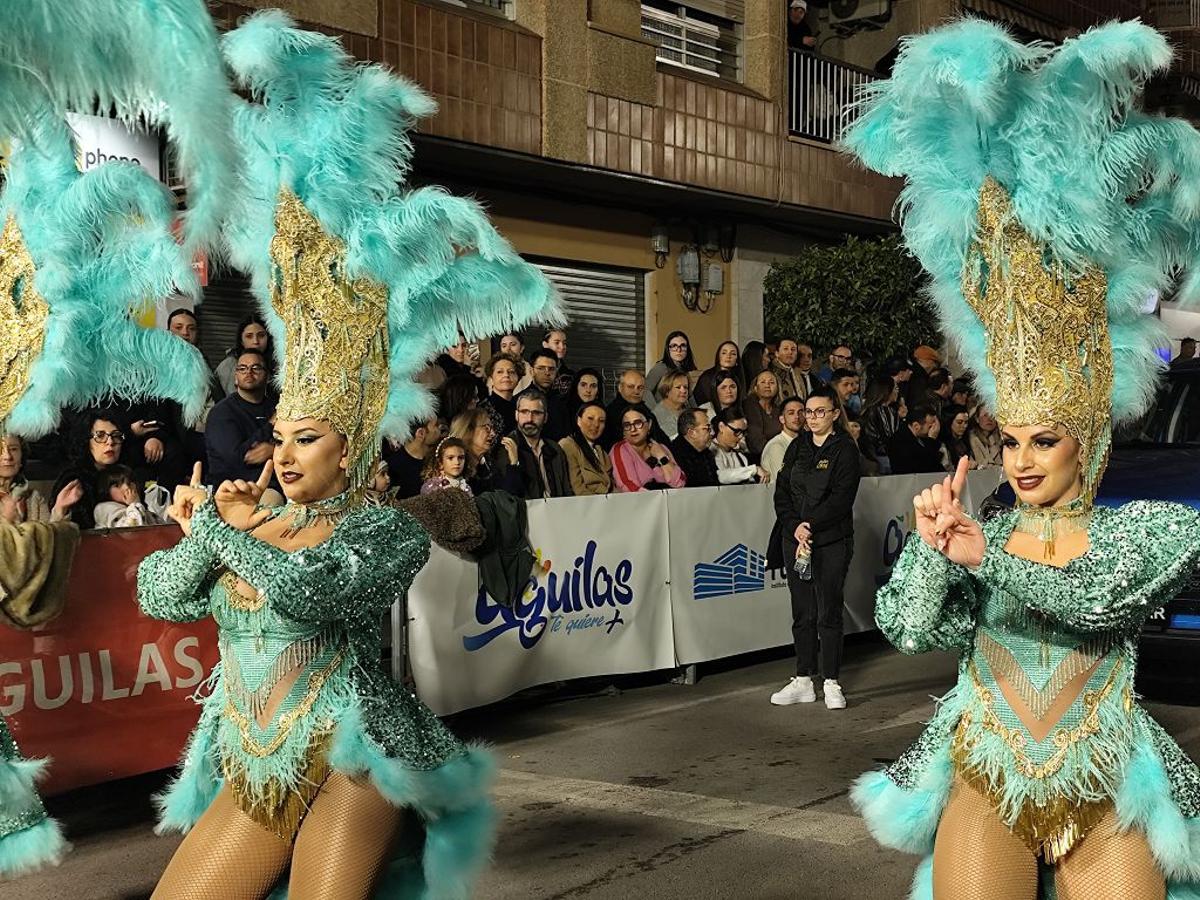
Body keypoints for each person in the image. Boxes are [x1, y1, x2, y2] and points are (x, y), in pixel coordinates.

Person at [141, 15, 557, 896]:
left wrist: (223, 533)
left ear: (352, 449)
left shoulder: (386, 535)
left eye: (307, 440)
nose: (283, 453)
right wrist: (201, 531)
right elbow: (161, 598)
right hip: (255, 754)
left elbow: (307, 590)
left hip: (352, 753)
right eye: (281, 436)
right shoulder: (255, 516)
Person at [844, 19, 1200, 897]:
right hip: (986, 768)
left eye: (1046, 440)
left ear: (1092, 440)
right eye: (1011, 438)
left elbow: (1090, 595)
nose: (1024, 458)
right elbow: (909, 630)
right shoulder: (983, 527)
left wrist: (982, 550)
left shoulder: (1150, 533)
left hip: (1105, 773)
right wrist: (933, 551)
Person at [771, 386, 861, 710]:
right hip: (795, 542)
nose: (812, 418)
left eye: (820, 411)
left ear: (835, 413)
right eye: (808, 412)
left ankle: (832, 681)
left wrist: (810, 525)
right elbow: (782, 493)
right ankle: (803, 679)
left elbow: (841, 499)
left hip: (830, 541)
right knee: (803, 611)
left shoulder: (846, 451)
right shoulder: (797, 447)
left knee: (829, 611)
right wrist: (794, 525)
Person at [49, 409, 134, 530]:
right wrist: (60, 510)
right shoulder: (73, 480)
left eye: (116, 436)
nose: (110, 442)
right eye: (100, 436)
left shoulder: (128, 475)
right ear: (86, 441)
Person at [204, 348, 278, 486]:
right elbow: (238, 459)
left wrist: (274, 450)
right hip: (233, 487)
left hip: (275, 481)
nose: (248, 372)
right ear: (236, 377)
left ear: (268, 376)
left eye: (256, 368)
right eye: (242, 368)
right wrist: (270, 425)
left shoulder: (276, 408)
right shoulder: (221, 412)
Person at [0, 433, 79, 524]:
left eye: (13, 449)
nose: (8, 457)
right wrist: (8, 522)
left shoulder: (33, 498)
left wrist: (59, 509)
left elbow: (48, 536)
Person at [509, 388, 573, 499]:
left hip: (557, 510)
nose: (530, 419)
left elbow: (566, 490)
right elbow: (509, 496)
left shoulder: (555, 449)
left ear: (545, 417)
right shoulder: (508, 447)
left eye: (536, 413)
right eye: (524, 412)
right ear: (516, 415)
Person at [611, 407, 685, 492]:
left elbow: (680, 482)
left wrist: (662, 457)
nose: (633, 429)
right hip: (643, 503)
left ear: (649, 424)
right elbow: (627, 486)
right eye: (627, 425)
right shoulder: (620, 449)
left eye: (638, 423)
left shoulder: (661, 448)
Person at [451, 407, 522, 495]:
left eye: (492, 428)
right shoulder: (455, 468)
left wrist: (513, 463)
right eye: (486, 428)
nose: (493, 434)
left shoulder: (489, 467)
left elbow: (507, 498)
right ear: (469, 430)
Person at [602, 369, 669, 448]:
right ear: (620, 388)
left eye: (640, 387)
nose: (636, 391)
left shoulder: (645, 409)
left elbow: (662, 439)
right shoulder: (610, 413)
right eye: (631, 387)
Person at [559, 401, 613, 495]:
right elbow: (577, 488)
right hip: (587, 504)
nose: (596, 425)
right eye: (590, 419)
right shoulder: (568, 445)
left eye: (601, 421)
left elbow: (612, 485)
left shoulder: (601, 452)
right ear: (579, 421)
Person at [384, 415, 443, 499]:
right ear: (421, 433)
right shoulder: (392, 467)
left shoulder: (438, 461)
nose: (439, 428)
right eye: (436, 425)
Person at [214, 314, 274, 397]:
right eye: (249, 336)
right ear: (241, 340)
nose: (255, 341)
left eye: (261, 335)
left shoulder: (278, 365)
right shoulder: (228, 366)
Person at [92, 465, 163, 528]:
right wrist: (134, 504)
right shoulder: (105, 509)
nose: (127, 487)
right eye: (117, 485)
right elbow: (132, 531)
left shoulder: (139, 506)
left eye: (129, 483)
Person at [710, 408, 768, 485]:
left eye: (743, 432)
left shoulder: (740, 456)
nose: (741, 436)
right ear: (721, 427)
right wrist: (754, 470)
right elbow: (720, 476)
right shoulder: (710, 450)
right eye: (737, 431)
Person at [861, 374, 902, 474]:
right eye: (895, 388)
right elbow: (891, 437)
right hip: (883, 459)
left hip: (872, 457)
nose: (897, 391)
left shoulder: (866, 411)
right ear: (888, 391)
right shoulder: (885, 412)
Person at [670, 408, 721, 488]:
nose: (712, 433)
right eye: (707, 428)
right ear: (691, 433)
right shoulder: (675, 456)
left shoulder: (705, 452)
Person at [527, 348, 571, 441]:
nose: (547, 373)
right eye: (541, 368)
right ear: (531, 371)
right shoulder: (520, 400)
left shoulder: (561, 402)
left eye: (551, 369)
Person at [887, 405, 943, 475]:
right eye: (931, 426)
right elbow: (924, 466)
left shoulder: (921, 437)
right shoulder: (900, 442)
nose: (935, 430)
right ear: (916, 426)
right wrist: (931, 440)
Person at [761, 396, 804, 483]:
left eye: (800, 412)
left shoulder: (805, 443)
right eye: (791, 413)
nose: (797, 417)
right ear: (782, 419)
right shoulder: (776, 446)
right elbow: (787, 481)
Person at [481, 351, 523, 437]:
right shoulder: (483, 409)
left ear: (518, 378)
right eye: (500, 372)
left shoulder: (521, 407)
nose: (506, 375)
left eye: (511, 372)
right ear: (491, 379)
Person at [744, 369, 783, 459]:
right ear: (755, 388)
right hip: (759, 457)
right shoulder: (749, 405)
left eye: (771, 382)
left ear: (777, 388)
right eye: (763, 382)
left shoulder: (778, 409)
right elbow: (756, 441)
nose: (767, 385)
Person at [646, 330, 696, 399]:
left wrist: (696, 409)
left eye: (683, 345)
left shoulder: (684, 370)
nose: (679, 350)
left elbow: (690, 397)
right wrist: (655, 409)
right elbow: (645, 392)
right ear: (668, 349)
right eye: (674, 346)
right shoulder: (660, 368)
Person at [694, 341, 742, 407]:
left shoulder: (740, 377)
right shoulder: (707, 377)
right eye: (724, 353)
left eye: (733, 354)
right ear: (718, 356)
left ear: (737, 359)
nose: (728, 356)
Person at [649, 371, 691, 440]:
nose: (683, 391)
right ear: (667, 390)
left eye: (685, 387)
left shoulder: (688, 410)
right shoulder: (657, 416)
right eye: (678, 387)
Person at [939, 404, 973, 472]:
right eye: (959, 422)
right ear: (949, 422)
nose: (964, 426)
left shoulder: (964, 443)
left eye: (966, 422)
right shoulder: (942, 446)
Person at [542, 328, 573, 396]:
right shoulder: (532, 371)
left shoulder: (570, 375)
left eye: (564, 343)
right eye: (557, 342)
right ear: (545, 345)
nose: (562, 347)